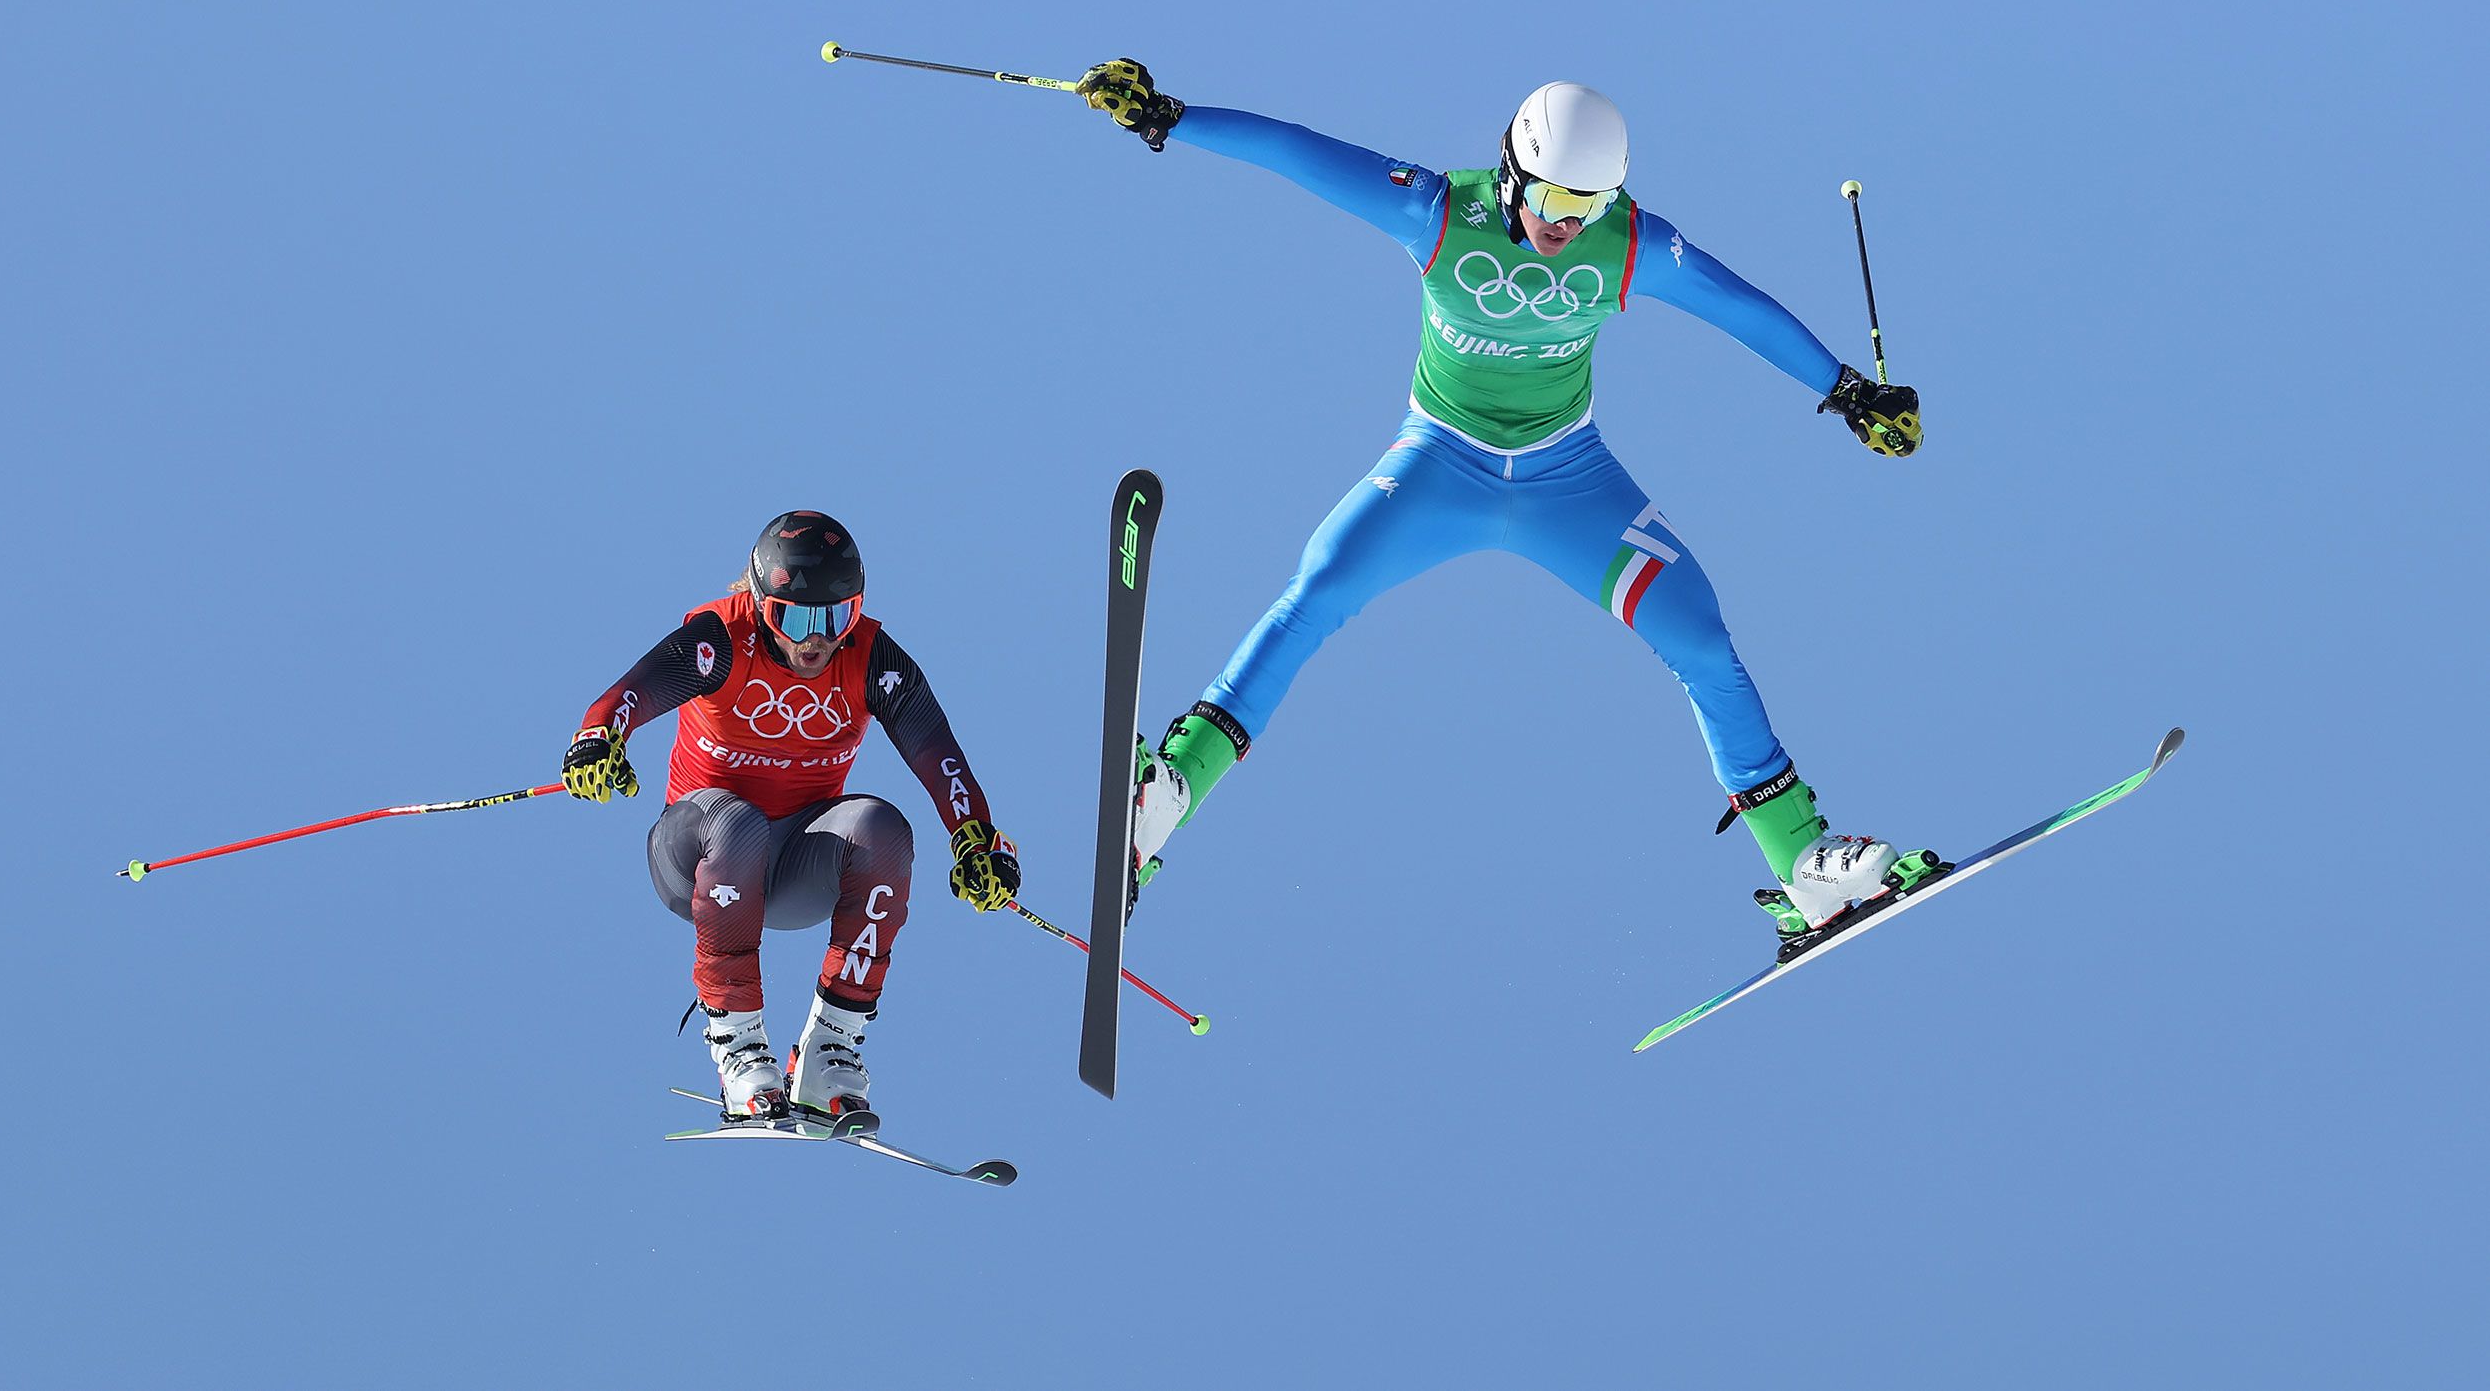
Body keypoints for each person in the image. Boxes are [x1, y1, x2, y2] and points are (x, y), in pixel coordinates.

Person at [1073, 61, 1927, 942]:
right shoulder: (1439, 212)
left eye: (1588, 204)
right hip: (1440, 465)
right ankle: (1166, 793)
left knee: (1703, 639)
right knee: (1319, 590)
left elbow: (1735, 305)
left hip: (1571, 480)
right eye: (1555, 196)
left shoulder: (1629, 242)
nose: (1566, 223)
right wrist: (1169, 117)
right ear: (1515, 171)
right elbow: (1301, 154)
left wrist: (1849, 391)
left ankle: (1803, 865)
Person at [561, 511, 1018, 1119]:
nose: (816, 639)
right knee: (739, 821)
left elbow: (939, 753)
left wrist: (976, 839)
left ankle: (832, 1047)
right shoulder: (722, 639)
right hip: (698, 854)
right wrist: (598, 739)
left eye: (836, 616)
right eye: (794, 617)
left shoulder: (871, 658)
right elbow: (629, 693)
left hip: (794, 869)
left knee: (883, 831)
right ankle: (739, 1045)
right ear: (760, 603)